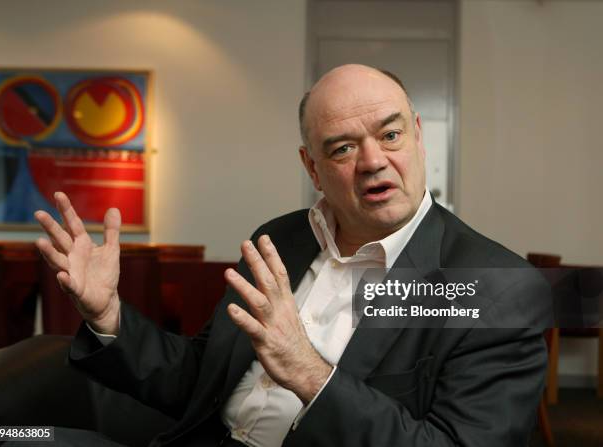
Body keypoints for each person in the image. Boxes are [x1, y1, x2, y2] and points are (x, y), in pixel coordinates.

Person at [34, 64, 551, 446]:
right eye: (342, 148)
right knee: (19, 436)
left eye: (390, 135)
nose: (373, 161)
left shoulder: (494, 287)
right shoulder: (280, 241)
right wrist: (107, 315)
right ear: (312, 167)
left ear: (417, 135)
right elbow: (199, 378)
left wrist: (309, 373)